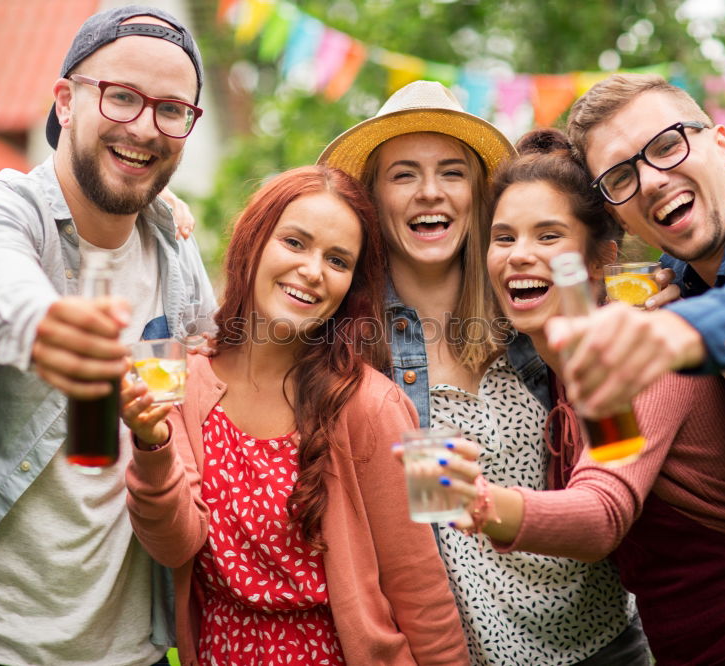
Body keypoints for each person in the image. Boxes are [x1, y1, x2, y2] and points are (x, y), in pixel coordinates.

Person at [434, 127, 725, 664]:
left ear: (600, 260)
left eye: (550, 237)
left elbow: (601, 513)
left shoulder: (632, 360)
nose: (519, 256)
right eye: (504, 238)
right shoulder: (564, 360)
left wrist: (481, 503)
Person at [319, 80, 649, 665]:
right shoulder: (354, 346)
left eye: (451, 172)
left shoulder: (532, 306)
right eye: (403, 175)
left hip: (610, 637)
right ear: (372, 197)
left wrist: (658, 299)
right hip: (474, 652)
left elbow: (618, 446)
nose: (429, 193)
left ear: (477, 191)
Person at [0, 6, 216, 665]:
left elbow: (219, 381)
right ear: (65, 100)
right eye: (121, 97)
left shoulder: (178, 254)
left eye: (171, 109)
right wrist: (50, 325)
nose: (144, 127)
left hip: (134, 649)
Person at [125, 165, 469, 665]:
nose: (313, 270)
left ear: (351, 287)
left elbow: (420, 588)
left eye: (337, 260)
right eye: (295, 242)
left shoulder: (375, 405)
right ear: (253, 242)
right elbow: (174, 545)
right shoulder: (185, 379)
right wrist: (152, 445)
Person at [546, 73, 725, 618]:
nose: (654, 179)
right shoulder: (671, 284)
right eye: (621, 176)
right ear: (615, 211)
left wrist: (677, 331)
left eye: (667, 145)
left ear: (722, 143)